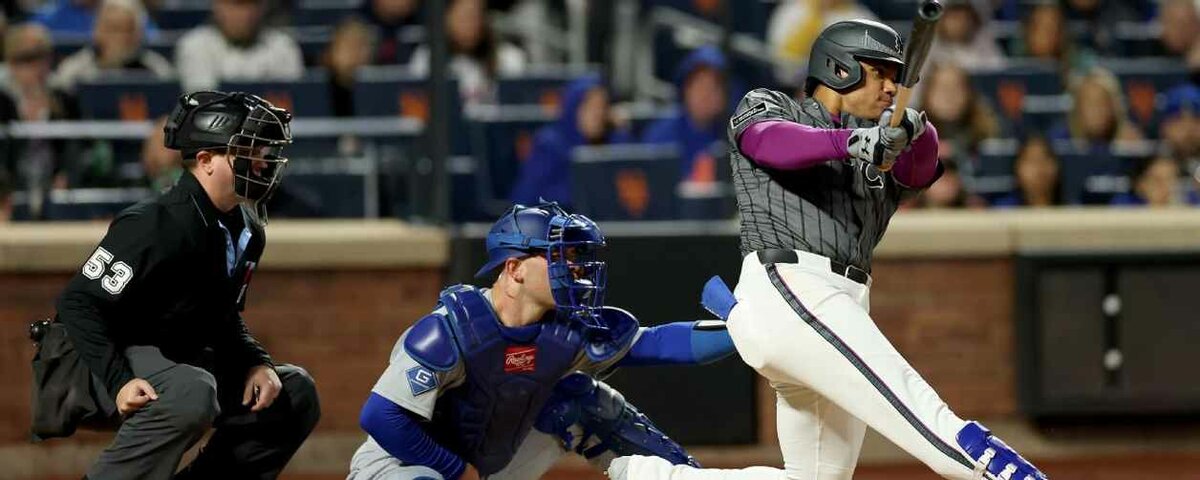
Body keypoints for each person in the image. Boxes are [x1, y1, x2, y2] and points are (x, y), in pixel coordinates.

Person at [608, 19, 1047, 480]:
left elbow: (920, 172)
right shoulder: (772, 105)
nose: (891, 87)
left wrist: (918, 132)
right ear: (840, 69)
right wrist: (853, 142)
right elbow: (769, 142)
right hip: (791, 287)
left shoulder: (880, 149)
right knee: (926, 418)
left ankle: (652, 477)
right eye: (880, 73)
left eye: (896, 77)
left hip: (840, 304)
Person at [348, 201, 737, 479]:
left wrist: (744, 329)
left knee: (582, 400)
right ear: (514, 268)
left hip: (480, 466)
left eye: (575, 256)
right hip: (399, 468)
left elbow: (657, 344)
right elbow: (381, 417)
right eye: (559, 256)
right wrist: (457, 471)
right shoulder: (451, 330)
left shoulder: (565, 332)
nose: (575, 268)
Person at [51, 91, 319, 478]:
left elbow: (222, 317)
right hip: (95, 362)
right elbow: (78, 303)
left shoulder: (246, 227)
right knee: (192, 391)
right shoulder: (156, 222)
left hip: (174, 359)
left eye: (263, 150)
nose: (262, 161)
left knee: (293, 391)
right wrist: (119, 381)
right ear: (205, 161)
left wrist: (255, 362)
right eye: (247, 151)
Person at [509, 74, 632, 207]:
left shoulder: (610, 140)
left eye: (602, 107)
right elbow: (525, 199)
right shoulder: (550, 144)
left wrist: (620, 131)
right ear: (573, 108)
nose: (598, 114)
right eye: (590, 107)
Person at [408, 0, 526, 106]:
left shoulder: (508, 57)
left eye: (476, 16)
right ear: (447, 18)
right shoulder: (427, 58)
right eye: (464, 17)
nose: (470, 24)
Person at [642, 45, 730, 183]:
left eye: (714, 88)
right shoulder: (661, 134)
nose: (706, 95)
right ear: (685, 90)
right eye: (700, 87)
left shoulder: (732, 137)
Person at [175, 0, 304, 93]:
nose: (244, 14)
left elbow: (293, 102)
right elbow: (203, 104)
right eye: (235, 4)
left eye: (251, 4)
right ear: (217, 6)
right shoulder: (194, 45)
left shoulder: (284, 46)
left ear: (263, 7)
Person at [51, 0, 173, 93]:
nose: (117, 37)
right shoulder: (74, 69)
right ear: (97, 32)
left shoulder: (156, 69)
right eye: (111, 28)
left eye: (125, 29)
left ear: (137, 36)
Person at [1048, 67, 1143, 148]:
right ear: (1078, 108)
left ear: (1114, 108)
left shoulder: (1130, 140)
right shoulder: (1059, 140)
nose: (1096, 111)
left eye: (1102, 103)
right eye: (1089, 104)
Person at [925, 0, 1005, 72]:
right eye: (954, 18)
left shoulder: (984, 44)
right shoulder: (929, 46)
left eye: (965, 18)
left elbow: (998, 73)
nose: (960, 24)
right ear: (942, 20)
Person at [324, 16, 377, 116]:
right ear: (332, 52)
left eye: (360, 47)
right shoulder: (317, 90)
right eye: (348, 46)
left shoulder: (381, 90)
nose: (354, 54)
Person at [991, 136, 1062, 208]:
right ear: (1017, 169)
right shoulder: (1001, 210)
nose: (1039, 167)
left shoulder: (1068, 208)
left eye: (1046, 158)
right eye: (1031, 160)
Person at [1110, 155, 1193, 207]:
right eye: (1157, 180)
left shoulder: (1190, 202)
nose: (1165, 186)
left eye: (1170, 179)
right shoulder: (1124, 204)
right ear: (1140, 184)